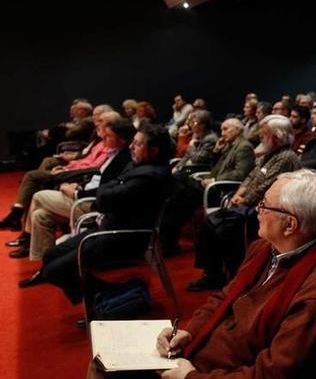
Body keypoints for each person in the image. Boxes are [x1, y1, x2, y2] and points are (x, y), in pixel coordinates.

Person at [82, 170, 316, 379]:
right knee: (103, 362)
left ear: (289, 225)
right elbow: (225, 297)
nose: (256, 211)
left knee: (106, 374)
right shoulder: (266, 249)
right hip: (203, 361)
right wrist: (189, 332)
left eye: (264, 206)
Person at [19, 124, 172, 303]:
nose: (131, 146)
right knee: (49, 256)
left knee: (54, 270)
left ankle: (102, 297)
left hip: (122, 239)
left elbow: (105, 199)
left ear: (153, 151)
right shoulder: (137, 166)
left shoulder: (148, 177)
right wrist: (108, 191)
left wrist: (107, 191)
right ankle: (104, 294)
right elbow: (107, 190)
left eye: (137, 144)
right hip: (107, 229)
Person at [188, 115, 301, 292]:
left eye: (264, 134)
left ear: (277, 137)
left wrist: (244, 199)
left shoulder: (286, 157)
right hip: (249, 202)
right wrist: (239, 193)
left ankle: (236, 276)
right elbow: (251, 176)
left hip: (270, 206)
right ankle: (214, 273)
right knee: (212, 222)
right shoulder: (269, 155)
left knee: (221, 225)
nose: (260, 137)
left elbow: (269, 185)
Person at [13, 115, 135, 260]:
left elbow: (106, 190)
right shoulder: (113, 153)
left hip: (91, 204)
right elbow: (97, 177)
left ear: (122, 140)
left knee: (38, 195)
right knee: (40, 215)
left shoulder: (123, 159)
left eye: (108, 136)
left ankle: (26, 237)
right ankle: (45, 261)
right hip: (85, 192)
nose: (104, 139)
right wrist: (79, 185)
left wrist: (76, 192)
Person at [159, 118, 256, 254]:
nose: (222, 133)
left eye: (226, 129)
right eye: (222, 129)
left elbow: (241, 174)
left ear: (237, 130)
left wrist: (214, 180)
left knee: (181, 196)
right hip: (212, 184)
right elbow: (217, 168)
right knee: (177, 193)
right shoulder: (230, 145)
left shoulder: (244, 147)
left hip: (223, 189)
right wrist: (216, 151)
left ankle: (168, 239)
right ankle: (168, 238)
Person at [171, 110, 217, 175]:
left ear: (203, 125)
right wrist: (177, 168)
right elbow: (187, 156)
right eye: (190, 122)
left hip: (200, 171)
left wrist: (192, 146)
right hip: (190, 168)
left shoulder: (210, 139)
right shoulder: (197, 135)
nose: (190, 125)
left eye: (194, 122)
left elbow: (197, 159)